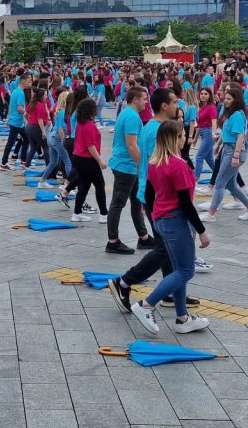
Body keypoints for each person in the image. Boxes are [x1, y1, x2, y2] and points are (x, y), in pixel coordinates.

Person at [108, 121, 211, 335]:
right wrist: (201, 231)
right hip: (176, 221)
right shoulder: (178, 165)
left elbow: (149, 194)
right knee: (185, 271)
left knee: (177, 269)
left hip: (162, 220)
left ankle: (183, 318)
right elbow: (186, 203)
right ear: (175, 139)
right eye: (183, 135)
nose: (186, 138)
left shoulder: (154, 163)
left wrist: (155, 216)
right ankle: (146, 305)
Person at [201, 88, 248, 222]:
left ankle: (211, 213)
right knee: (231, 184)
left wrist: (236, 156)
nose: (226, 101)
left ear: (236, 100)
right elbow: (226, 132)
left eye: (229, 99)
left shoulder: (238, 115)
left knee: (220, 182)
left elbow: (240, 136)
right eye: (225, 98)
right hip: (227, 148)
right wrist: (218, 145)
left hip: (233, 150)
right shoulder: (230, 114)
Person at [106, 86, 151, 254]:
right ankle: (113, 241)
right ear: (135, 99)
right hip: (126, 166)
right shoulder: (132, 117)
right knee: (118, 203)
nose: (146, 102)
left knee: (136, 201)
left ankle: (144, 237)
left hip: (126, 165)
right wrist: (142, 166)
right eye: (144, 99)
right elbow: (131, 145)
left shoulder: (127, 113)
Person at [68, 98, 108, 223]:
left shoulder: (81, 124)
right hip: (87, 159)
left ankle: (77, 213)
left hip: (78, 158)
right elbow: (90, 146)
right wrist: (100, 161)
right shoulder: (89, 125)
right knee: (99, 185)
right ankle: (104, 214)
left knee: (84, 186)